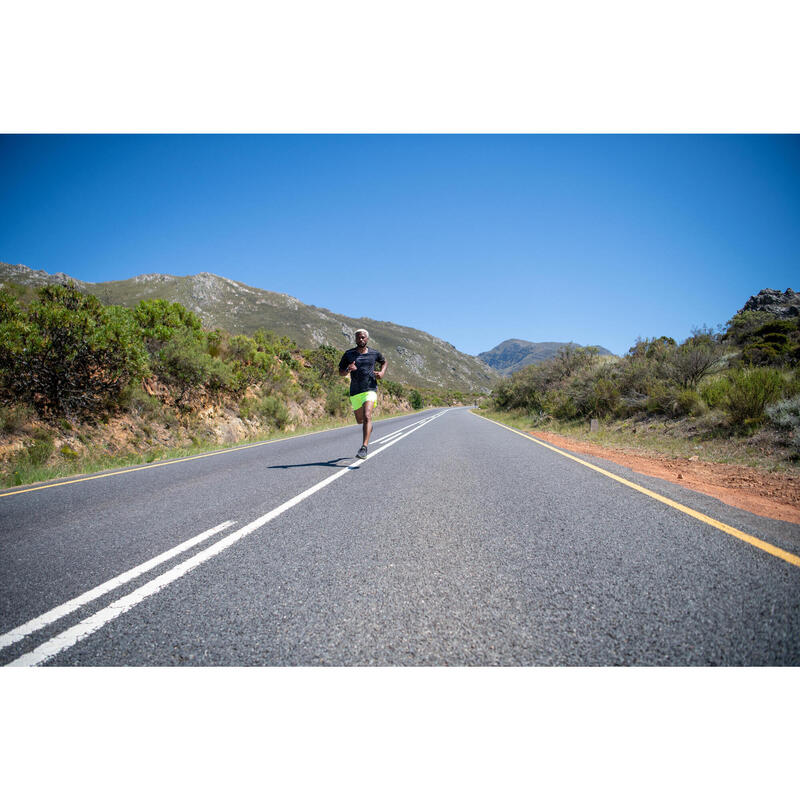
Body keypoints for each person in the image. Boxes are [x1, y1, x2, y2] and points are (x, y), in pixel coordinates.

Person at [338, 328, 386, 459]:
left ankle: (364, 447)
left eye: (363, 337)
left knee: (367, 416)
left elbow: (384, 362)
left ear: (367, 339)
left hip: (370, 389)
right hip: (355, 392)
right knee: (360, 420)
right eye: (359, 337)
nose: (361, 339)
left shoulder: (374, 353)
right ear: (355, 339)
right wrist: (348, 369)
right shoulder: (349, 354)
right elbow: (340, 371)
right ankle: (368, 427)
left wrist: (381, 373)